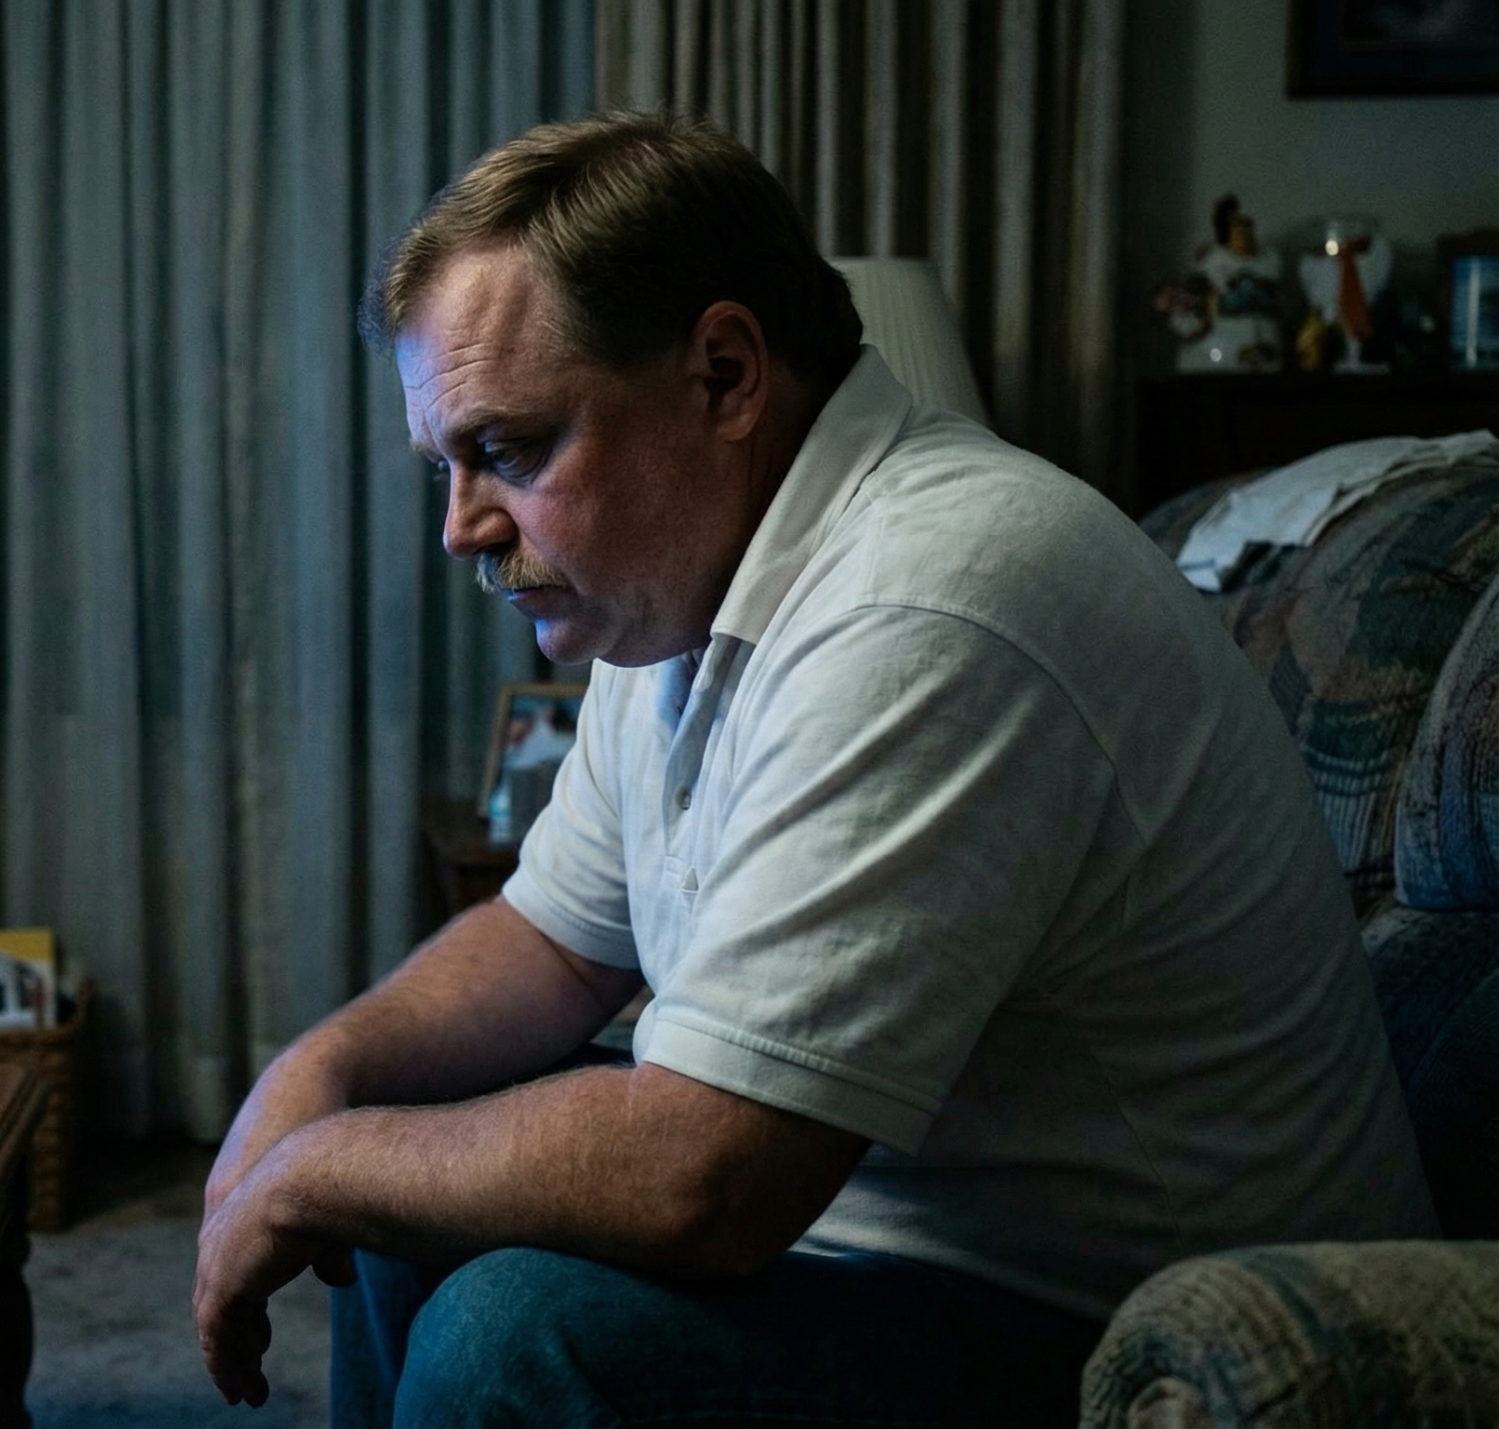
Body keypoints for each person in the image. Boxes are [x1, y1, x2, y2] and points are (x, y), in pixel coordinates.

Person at [192, 111, 1437, 1427]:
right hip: (907, 1261)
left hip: (1149, 1331)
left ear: (726, 374)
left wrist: (327, 1167)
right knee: (404, 1205)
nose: (461, 529)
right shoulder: (676, 598)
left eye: (510, 449)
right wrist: (323, 1076)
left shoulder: (936, 599)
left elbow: (707, 1183)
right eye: (446, 465)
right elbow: (553, 945)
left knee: (515, 1336)